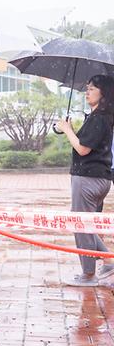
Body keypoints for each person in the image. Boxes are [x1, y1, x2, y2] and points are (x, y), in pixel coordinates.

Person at [55, 74, 114, 286]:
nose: (87, 92)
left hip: (88, 179)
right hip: (98, 178)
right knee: (85, 222)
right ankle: (108, 260)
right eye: (87, 88)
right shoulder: (99, 116)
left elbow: (82, 148)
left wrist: (68, 129)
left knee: (80, 224)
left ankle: (89, 274)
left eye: (92, 88)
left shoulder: (99, 118)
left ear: (103, 93)